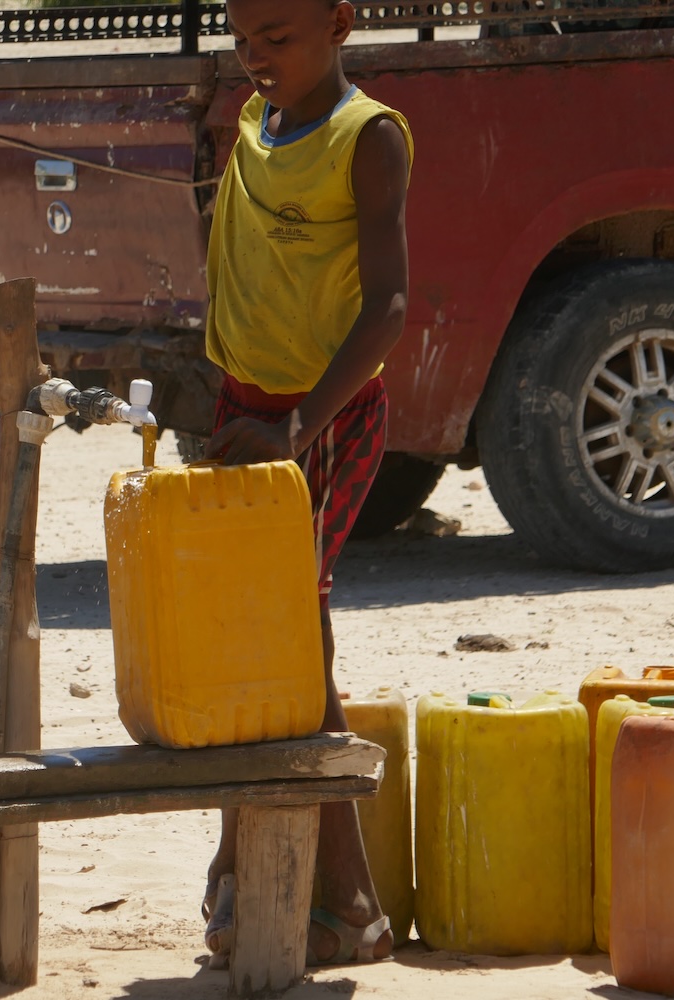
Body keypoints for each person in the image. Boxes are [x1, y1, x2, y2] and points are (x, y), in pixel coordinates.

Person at [198, 0, 413, 967]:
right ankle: (269, 878)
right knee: (258, 636)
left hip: (315, 419)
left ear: (340, 22)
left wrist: (295, 428)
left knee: (289, 641)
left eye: (276, 39)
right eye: (243, 40)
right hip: (245, 412)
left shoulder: (367, 140)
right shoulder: (254, 118)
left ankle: (332, 894)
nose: (256, 57)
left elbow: (390, 309)